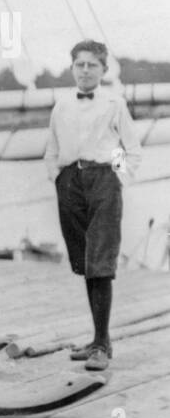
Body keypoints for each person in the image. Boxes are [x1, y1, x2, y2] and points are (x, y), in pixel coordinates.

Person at [44, 40, 142, 372]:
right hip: (71, 183)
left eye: (92, 65)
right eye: (80, 65)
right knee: (86, 262)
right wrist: (58, 178)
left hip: (104, 181)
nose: (85, 70)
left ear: (103, 69)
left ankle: (102, 344)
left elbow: (130, 149)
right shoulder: (61, 106)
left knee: (101, 260)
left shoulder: (114, 103)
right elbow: (52, 149)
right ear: (72, 68)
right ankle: (97, 340)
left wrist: (118, 180)